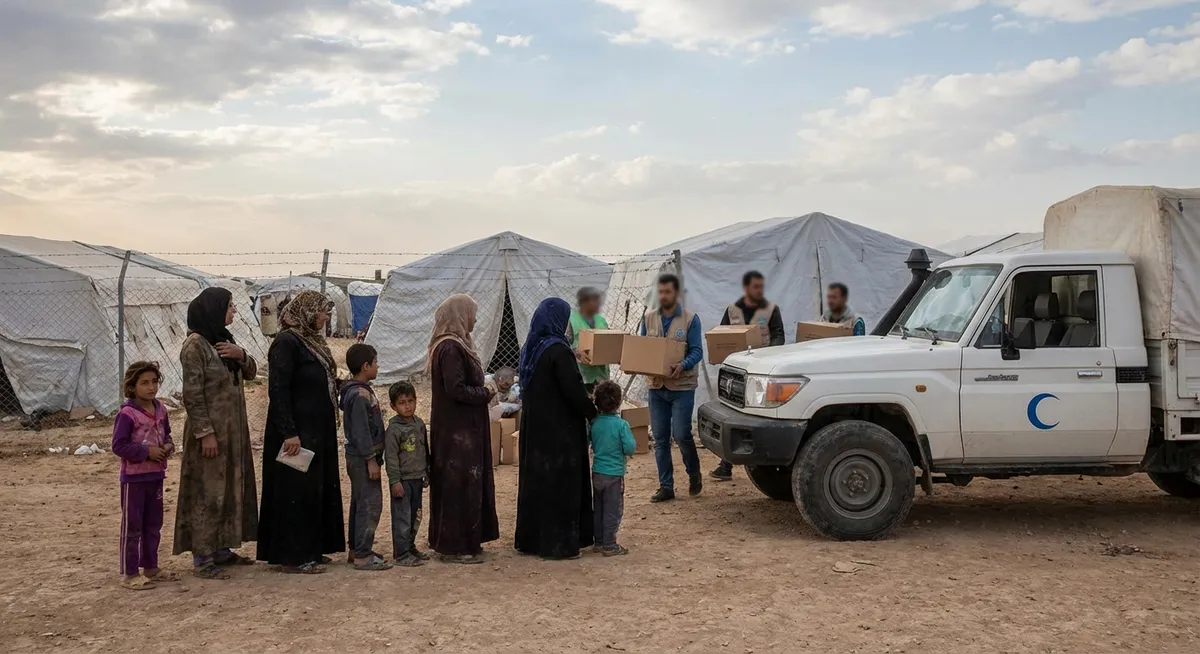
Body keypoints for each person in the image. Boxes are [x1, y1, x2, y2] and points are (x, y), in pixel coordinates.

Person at [257, 290, 346, 574]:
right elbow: (278, 390)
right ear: (307, 311)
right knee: (295, 490)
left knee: (313, 488)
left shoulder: (312, 341)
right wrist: (288, 432)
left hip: (316, 430)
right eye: (322, 311)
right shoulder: (287, 342)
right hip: (296, 433)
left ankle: (312, 549)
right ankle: (293, 556)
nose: (325, 317)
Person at [174, 287, 259, 580]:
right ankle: (203, 555)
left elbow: (251, 373)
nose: (234, 310)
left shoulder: (224, 340)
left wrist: (241, 355)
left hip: (232, 432)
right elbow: (192, 394)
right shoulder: (195, 346)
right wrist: (204, 433)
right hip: (210, 433)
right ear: (214, 309)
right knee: (207, 491)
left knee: (230, 487)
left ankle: (223, 546)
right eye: (229, 306)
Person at [513, 298, 598, 560]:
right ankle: (558, 544)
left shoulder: (532, 348)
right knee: (560, 485)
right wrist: (593, 412)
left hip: (535, 429)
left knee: (538, 482)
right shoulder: (558, 351)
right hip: (560, 432)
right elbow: (573, 390)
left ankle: (532, 540)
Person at [427, 294, 499, 565]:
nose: (475, 320)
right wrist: (486, 393)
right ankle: (456, 546)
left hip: (462, 429)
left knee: (465, 483)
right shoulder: (450, 348)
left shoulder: (457, 345)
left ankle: (466, 542)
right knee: (459, 484)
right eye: (471, 314)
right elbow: (456, 389)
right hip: (457, 433)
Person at [711, 271, 785, 482]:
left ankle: (763, 464)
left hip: (760, 372)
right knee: (732, 414)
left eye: (761, 286)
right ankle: (726, 465)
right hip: (736, 373)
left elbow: (779, 335)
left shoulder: (771, 309)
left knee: (757, 416)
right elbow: (722, 335)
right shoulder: (732, 310)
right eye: (755, 287)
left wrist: (769, 354)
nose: (759, 290)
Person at [112, 361, 179, 590]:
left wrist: (167, 447)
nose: (151, 387)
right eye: (144, 383)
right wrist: (147, 452)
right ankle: (130, 573)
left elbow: (167, 435)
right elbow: (119, 446)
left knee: (153, 524)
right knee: (132, 526)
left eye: (154, 382)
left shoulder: (161, 410)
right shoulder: (127, 414)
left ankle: (151, 566)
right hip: (134, 479)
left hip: (156, 476)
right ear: (132, 387)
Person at [640, 273, 704, 503]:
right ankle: (666, 486)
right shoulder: (648, 318)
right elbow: (643, 347)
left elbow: (697, 350)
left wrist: (683, 365)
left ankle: (694, 473)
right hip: (656, 386)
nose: (663, 296)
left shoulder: (690, 319)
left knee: (681, 434)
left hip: (682, 387)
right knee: (660, 438)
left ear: (676, 293)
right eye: (660, 292)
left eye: (667, 292)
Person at [339, 344, 391, 572]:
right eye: (375, 362)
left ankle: (357, 549)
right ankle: (362, 555)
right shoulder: (360, 395)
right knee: (370, 504)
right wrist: (371, 459)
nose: (378, 366)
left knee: (360, 502)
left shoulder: (358, 391)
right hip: (363, 459)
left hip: (359, 457)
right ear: (365, 366)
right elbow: (361, 431)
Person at [384, 380, 430, 567]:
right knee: (402, 518)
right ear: (393, 406)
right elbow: (391, 458)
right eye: (402, 403)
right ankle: (401, 554)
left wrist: (426, 472)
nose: (408, 406)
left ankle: (410, 547)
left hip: (417, 478)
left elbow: (424, 450)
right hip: (402, 481)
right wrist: (395, 481)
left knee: (415, 516)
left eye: (411, 401)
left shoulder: (419, 424)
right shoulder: (394, 430)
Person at [589, 380, 636, 557]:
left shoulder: (594, 423)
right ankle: (610, 545)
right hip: (614, 474)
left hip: (597, 472)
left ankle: (599, 542)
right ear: (618, 402)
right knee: (612, 510)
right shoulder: (621, 425)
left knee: (599, 508)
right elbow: (630, 447)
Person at [566, 286, 611, 395]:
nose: (598, 303)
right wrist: (576, 352)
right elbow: (563, 345)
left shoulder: (601, 320)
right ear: (584, 302)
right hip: (582, 376)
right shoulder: (571, 321)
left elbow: (610, 341)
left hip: (602, 376)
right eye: (595, 300)